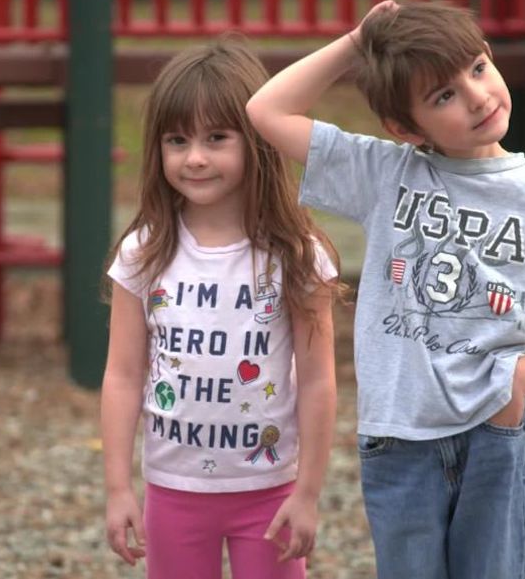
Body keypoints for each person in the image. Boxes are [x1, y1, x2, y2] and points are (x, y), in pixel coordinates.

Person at [247, 0, 525, 578]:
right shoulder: (386, 174)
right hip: (397, 439)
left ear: (492, 59)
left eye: (476, 69)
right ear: (405, 127)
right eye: (442, 95)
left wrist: (522, 379)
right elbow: (266, 109)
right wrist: (356, 41)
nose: (475, 97)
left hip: (493, 430)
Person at [100, 37, 343, 579]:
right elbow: (121, 375)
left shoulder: (297, 255)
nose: (195, 157)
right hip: (172, 490)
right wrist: (118, 488)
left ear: (255, 141)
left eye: (216, 137)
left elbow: (319, 382)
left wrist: (308, 493)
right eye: (177, 139)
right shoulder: (144, 251)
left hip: (269, 491)